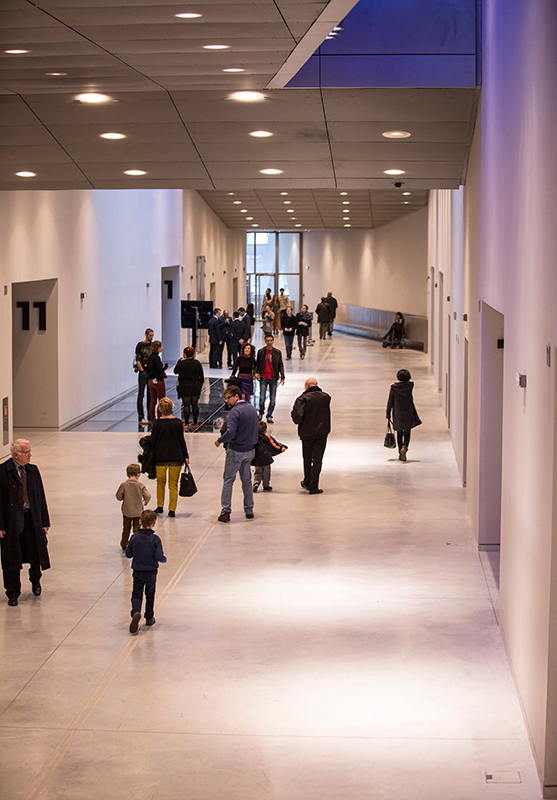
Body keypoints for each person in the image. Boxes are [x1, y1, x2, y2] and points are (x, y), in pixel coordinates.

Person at [0, 439, 50, 606]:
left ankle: (36, 581)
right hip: (12, 522)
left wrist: (44, 521)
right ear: (16, 454)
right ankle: (13, 592)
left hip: (31, 518)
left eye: (30, 451)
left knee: (35, 552)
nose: (30, 455)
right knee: (11, 558)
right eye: (26, 452)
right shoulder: (3, 472)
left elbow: (41, 497)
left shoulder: (33, 470)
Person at [214, 385, 259, 523]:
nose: (226, 401)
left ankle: (225, 511)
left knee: (228, 481)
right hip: (250, 450)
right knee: (246, 480)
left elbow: (230, 432)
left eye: (228, 398)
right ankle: (249, 509)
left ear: (236, 397)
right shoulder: (252, 409)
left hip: (236, 451)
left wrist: (219, 441)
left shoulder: (235, 412)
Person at [126, 509, 166, 634]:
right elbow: (159, 556)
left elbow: (128, 554)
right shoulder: (155, 539)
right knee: (150, 593)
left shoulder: (134, 537)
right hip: (151, 571)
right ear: (154, 524)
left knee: (137, 593)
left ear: (139, 522)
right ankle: (149, 617)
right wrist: (163, 559)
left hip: (137, 570)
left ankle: (136, 612)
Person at [150, 397, 189, 517]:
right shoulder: (178, 423)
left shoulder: (157, 423)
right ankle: (172, 509)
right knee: (173, 484)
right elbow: (181, 441)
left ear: (160, 409)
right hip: (176, 456)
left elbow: (153, 441)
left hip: (160, 457)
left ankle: (160, 506)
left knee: (160, 482)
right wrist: (186, 456)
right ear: (172, 408)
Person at [291, 377, 331, 494]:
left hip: (307, 433)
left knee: (307, 458)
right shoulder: (326, 397)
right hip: (322, 432)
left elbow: (297, 418)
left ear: (306, 386)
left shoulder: (302, 399)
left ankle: (307, 481)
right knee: (318, 459)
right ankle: (314, 485)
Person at [386, 368, 422, 461]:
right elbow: (407, 384)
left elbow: (390, 401)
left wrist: (388, 413)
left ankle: (400, 450)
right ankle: (405, 447)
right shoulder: (410, 386)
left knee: (399, 432)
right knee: (407, 432)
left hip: (398, 412)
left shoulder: (394, 388)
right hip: (408, 411)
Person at [115, 463, 151, 551]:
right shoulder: (140, 485)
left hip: (127, 511)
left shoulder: (124, 485)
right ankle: (137, 543)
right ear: (139, 474)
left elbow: (118, 496)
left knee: (126, 528)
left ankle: (124, 543)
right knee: (137, 529)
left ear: (127, 474)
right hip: (138, 511)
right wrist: (146, 501)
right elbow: (148, 495)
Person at [255, 334, 285, 423]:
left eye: (270, 341)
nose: (269, 342)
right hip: (263, 377)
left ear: (273, 341)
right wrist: (256, 373)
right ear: (265, 341)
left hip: (273, 378)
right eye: (267, 341)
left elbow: (280, 365)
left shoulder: (277, 352)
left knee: (273, 400)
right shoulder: (261, 352)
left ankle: (269, 415)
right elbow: (257, 363)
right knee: (262, 398)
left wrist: (282, 376)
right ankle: (261, 412)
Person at [252, 420, 287, 492]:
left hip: (257, 459)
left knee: (258, 472)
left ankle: (256, 483)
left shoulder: (255, 438)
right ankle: (266, 486)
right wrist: (281, 448)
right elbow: (274, 444)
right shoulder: (268, 437)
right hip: (266, 458)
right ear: (265, 430)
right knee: (266, 473)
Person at [174, 346, 204, 428]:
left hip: (184, 386)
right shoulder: (197, 363)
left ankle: (186, 423)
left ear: (184, 354)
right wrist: (200, 385)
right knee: (195, 404)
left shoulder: (182, 363)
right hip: (195, 386)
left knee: (186, 405)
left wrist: (179, 361)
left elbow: (175, 371)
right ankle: (195, 422)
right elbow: (201, 376)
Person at [135, 327, 154, 424]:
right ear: (146, 335)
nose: (151, 337)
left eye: (152, 335)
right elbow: (137, 359)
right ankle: (141, 416)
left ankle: (150, 416)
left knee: (150, 395)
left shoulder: (152, 345)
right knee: (141, 394)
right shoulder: (140, 345)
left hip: (150, 372)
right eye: (150, 335)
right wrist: (142, 370)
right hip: (143, 372)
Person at [146, 340, 167, 421]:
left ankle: (152, 418)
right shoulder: (156, 358)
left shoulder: (150, 357)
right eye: (161, 347)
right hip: (158, 381)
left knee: (153, 400)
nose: (162, 348)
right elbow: (159, 370)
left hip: (151, 381)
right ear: (157, 348)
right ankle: (160, 417)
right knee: (161, 400)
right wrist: (165, 367)